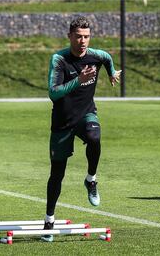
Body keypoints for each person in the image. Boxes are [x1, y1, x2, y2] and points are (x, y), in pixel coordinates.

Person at [42, 16, 122, 242]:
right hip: (62, 122)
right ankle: (49, 219)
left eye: (86, 36)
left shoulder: (96, 56)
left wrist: (111, 73)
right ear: (70, 36)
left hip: (86, 114)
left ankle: (91, 180)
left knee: (94, 136)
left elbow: (107, 58)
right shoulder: (59, 59)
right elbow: (53, 92)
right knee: (57, 175)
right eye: (78, 36)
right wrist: (78, 80)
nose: (83, 41)